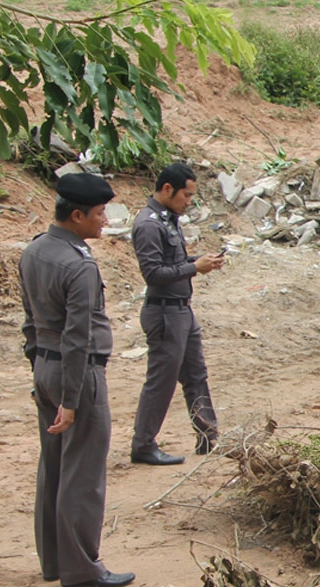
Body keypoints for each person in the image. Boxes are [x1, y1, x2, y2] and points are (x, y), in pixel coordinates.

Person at [19, 173, 135, 587]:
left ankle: (54, 560)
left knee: (53, 466)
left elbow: (31, 323)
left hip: (45, 368)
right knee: (82, 472)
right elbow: (77, 337)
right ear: (76, 215)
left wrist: (40, 375)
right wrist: (70, 399)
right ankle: (83, 567)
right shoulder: (78, 265)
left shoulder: (34, 251)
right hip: (77, 374)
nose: (104, 221)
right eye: (100, 214)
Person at [130, 163, 224, 465]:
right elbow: (153, 273)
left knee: (196, 375)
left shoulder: (168, 220)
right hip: (164, 314)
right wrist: (194, 267)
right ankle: (143, 444)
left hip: (181, 310)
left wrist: (197, 261)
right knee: (162, 381)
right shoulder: (148, 224)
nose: (189, 202)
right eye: (186, 195)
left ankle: (207, 436)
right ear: (167, 189)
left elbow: (174, 263)